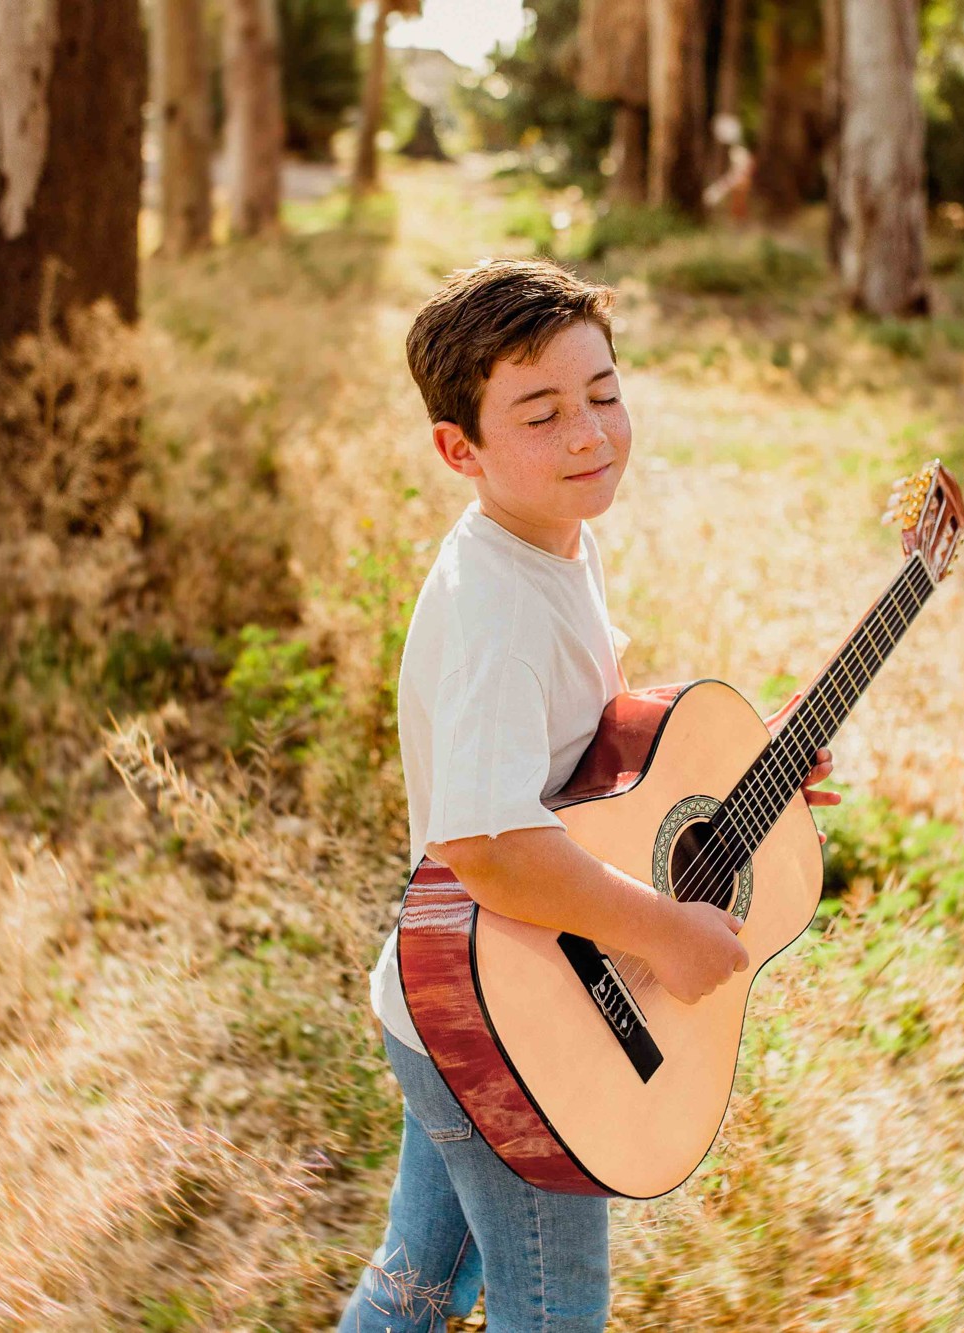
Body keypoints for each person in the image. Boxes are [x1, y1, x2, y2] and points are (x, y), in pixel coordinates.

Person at [338, 258, 838, 1332]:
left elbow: (584, 764)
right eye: (541, 413)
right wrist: (662, 930)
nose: (589, 435)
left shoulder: (554, 543)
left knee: (416, 1286)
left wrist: (742, 779)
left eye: (603, 394)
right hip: (509, 1016)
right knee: (553, 1308)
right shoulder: (492, 610)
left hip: (474, 1001)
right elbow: (494, 849)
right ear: (456, 449)